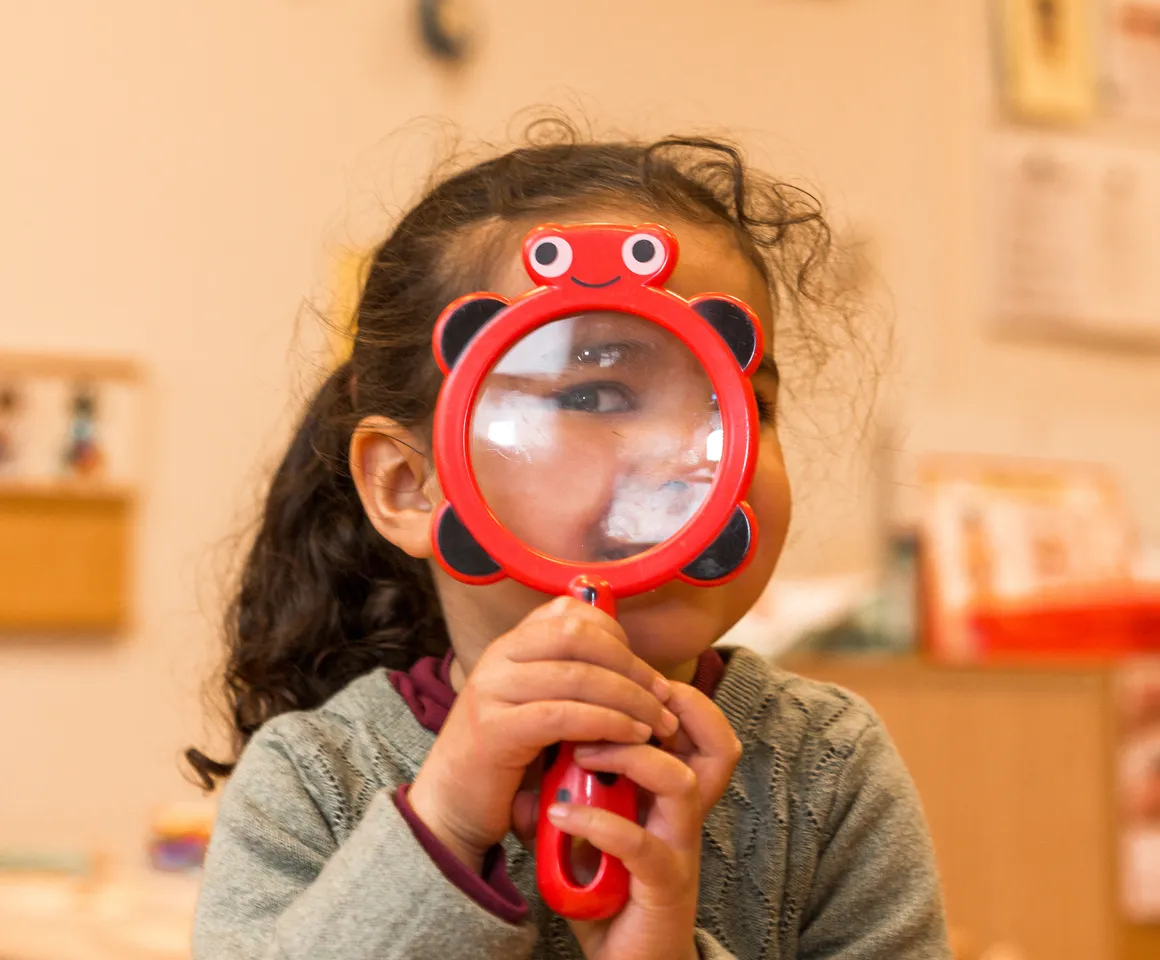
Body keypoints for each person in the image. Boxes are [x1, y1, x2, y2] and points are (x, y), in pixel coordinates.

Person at [189, 120, 950, 960]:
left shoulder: (826, 769)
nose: (692, 460)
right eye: (595, 396)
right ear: (411, 485)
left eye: (741, 405)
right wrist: (441, 826)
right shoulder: (314, 776)